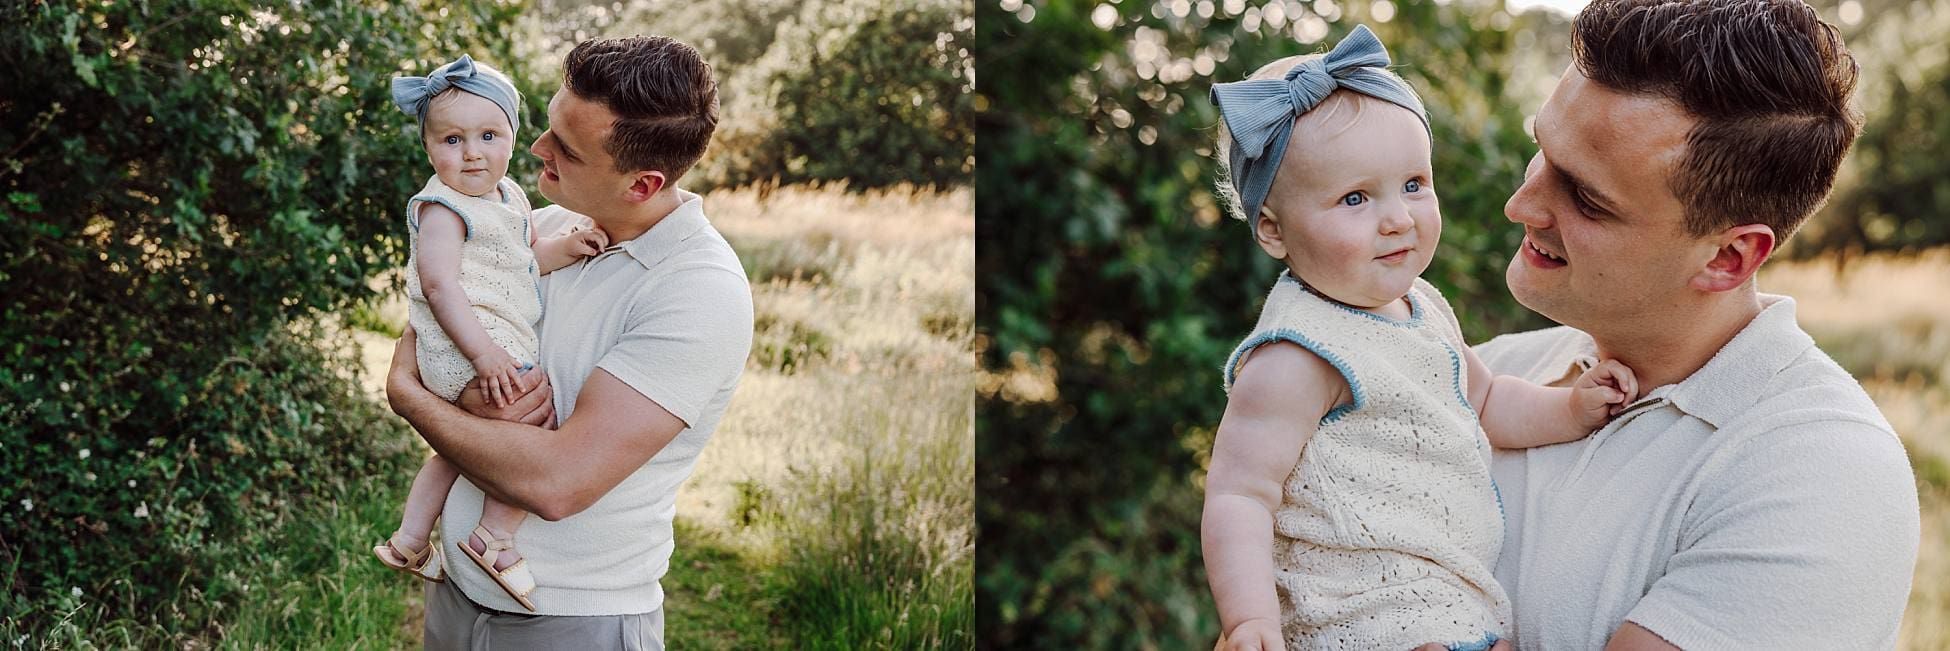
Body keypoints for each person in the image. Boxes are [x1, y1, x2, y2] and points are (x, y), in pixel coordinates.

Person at [1478, 0, 1919, 647]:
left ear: (1728, 256)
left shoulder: (1824, 473)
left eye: (1586, 198)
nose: (1523, 204)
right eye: (1540, 150)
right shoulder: (1491, 371)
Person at [1201, 26, 1637, 651]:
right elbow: (1240, 495)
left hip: (1448, 600)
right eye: (1355, 198)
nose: (1398, 218)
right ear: (1273, 230)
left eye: (1413, 185)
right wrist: (1250, 621)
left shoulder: (1419, 306)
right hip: (1357, 608)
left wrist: (1570, 408)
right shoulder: (1296, 354)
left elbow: (1483, 403)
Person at [386, 35, 753, 650]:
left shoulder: (698, 292)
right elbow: (432, 322)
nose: (535, 148)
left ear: (642, 184)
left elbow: (556, 485)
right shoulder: (544, 225)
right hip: (454, 592)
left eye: (566, 149)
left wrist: (408, 397)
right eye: (548, 124)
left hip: (570, 621)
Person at [370, 54, 608, 612]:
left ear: (512, 137)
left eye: (488, 135)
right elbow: (439, 285)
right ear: (428, 148)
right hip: (463, 348)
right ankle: (493, 537)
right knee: (532, 433)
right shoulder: (443, 208)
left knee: (460, 451)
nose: (472, 152)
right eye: (451, 140)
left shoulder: (509, 200)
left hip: (486, 347)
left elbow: (521, 263)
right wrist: (484, 356)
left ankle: (408, 540)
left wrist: (563, 249)